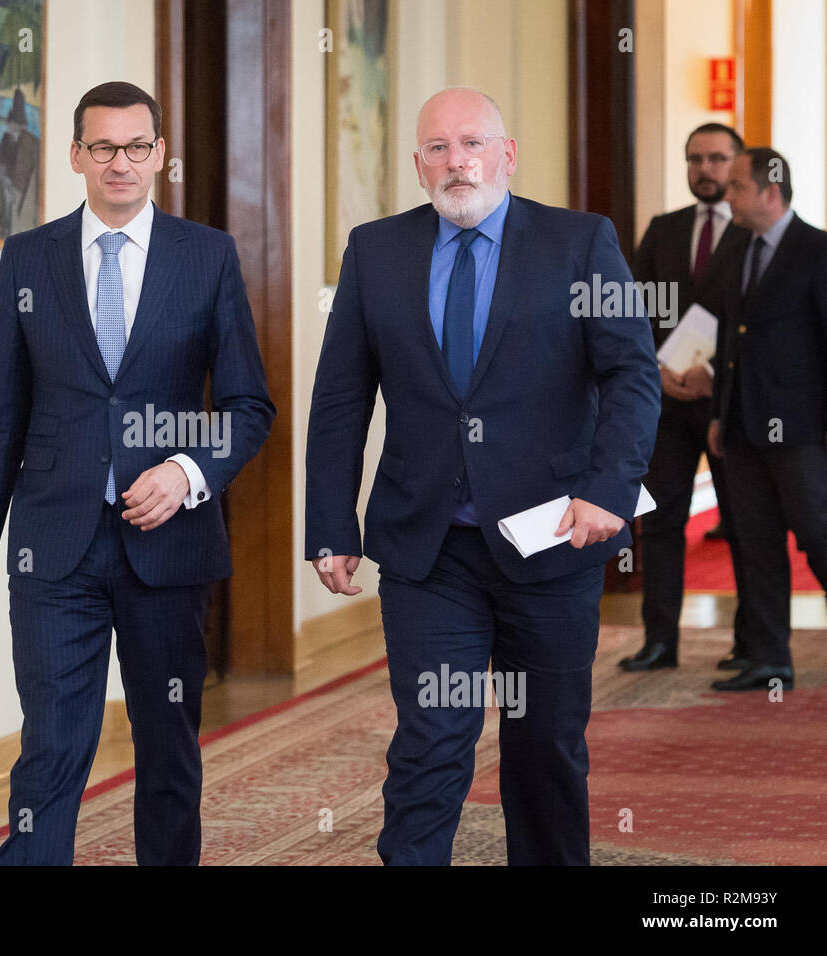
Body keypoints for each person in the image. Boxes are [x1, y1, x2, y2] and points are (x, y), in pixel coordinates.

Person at [305, 87, 659, 865]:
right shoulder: (376, 250)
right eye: (437, 147)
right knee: (432, 736)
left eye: (472, 143)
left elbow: (632, 374)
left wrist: (610, 488)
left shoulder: (579, 242)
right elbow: (339, 400)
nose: (456, 161)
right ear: (418, 164)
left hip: (552, 538)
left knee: (545, 745)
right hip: (428, 550)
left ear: (507, 154)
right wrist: (332, 523)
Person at [0, 81, 275, 864]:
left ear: (160, 154)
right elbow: (0, 417)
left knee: (167, 752)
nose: (120, 163)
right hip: (52, 546)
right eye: (103, 147)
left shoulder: (208, 257)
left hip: (168, 547)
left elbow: (247, 406)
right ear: (75, 156)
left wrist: (186, 472)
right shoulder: (28, 258)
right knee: (53, 749)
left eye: (137, 146)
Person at [620, 123, 752, 673]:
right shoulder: (664, 230)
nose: (705, 169)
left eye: (717, 159)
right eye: (695, 159)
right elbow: (632, 307)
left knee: (746, 524)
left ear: (738, 164)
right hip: (668, 404)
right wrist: (657, 364)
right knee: (663, 521)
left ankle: (752, 644)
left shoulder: (754, 232)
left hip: (732, 404)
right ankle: (660, 641)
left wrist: (715, 376)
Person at [707, 147, 827, 692]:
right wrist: (717, 414)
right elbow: (727, 338)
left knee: (817, 535)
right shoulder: (737, 250)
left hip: (802, 431)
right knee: (754, 543)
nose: (726, 194)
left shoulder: (816, 250)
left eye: (736, 186)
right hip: (741, 426)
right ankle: (770, 657)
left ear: (770, 191)